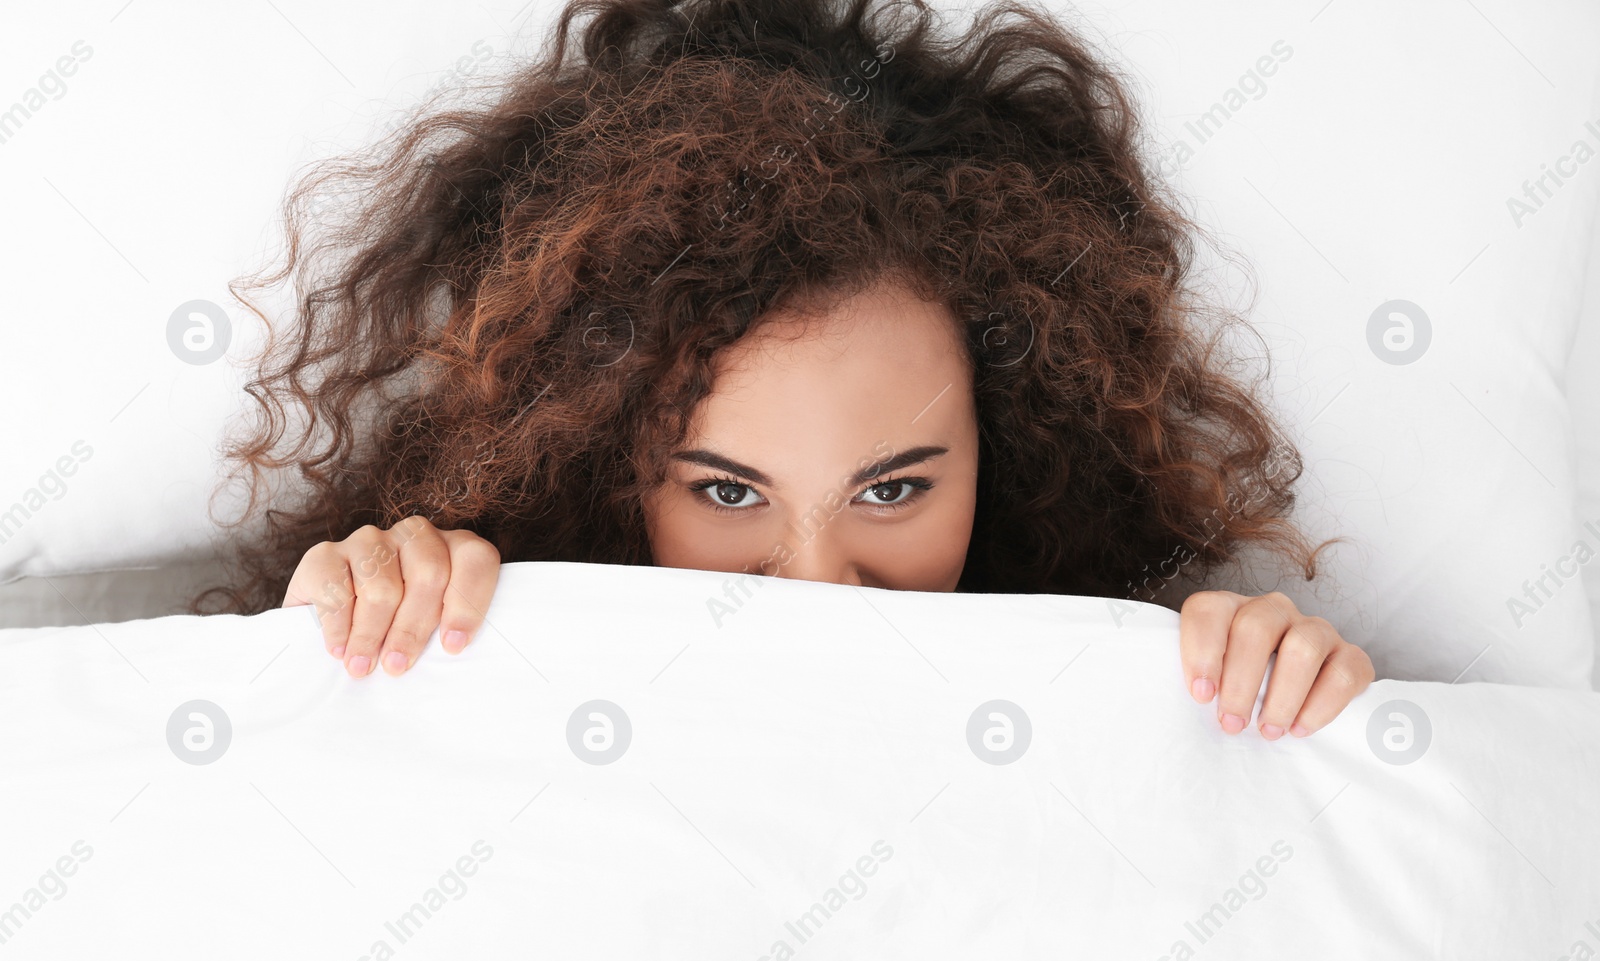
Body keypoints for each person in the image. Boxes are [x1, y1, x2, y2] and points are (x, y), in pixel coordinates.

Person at [193, 0, 1374, 741]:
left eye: (895, 488)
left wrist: (1266, 688)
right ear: (608, 470)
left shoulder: (1084, 687)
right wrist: (349, 635)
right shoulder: (494, 633)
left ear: (1005, 456)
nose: (818, 587)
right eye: (725, 490)